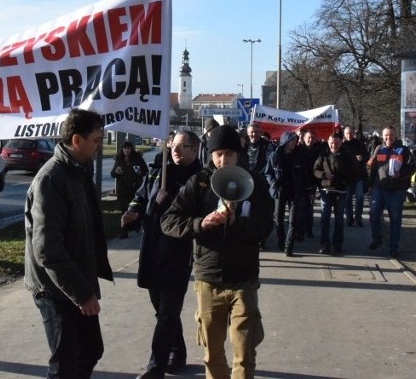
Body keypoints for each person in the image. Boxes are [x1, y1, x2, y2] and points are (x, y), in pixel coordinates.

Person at [161, 125, 274, 379]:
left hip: (243, 279)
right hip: (208, 278)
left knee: (244, 351)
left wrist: (237, 223)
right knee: (212, 354)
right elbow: (169, 220)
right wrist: (200, 224)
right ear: (210, 154)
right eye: (218, 153)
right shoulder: (199, 183)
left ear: (238, 154)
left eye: (229, 154)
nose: (223, 160)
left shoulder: (254, 182)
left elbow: (265, 226)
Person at [24, 108, 113, 377]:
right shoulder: (51, 179)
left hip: (77, 280)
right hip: (54, 288)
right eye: (96, 140)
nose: (100, 147)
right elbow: (47, 249)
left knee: (90, 350)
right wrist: (81, 293)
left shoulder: (77, 171)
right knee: (65, 364)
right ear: (77, 140)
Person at [121, 130, 203, 378]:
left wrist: (168, 200)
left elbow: (196, 212)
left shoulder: (200, 179)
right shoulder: (159, 170)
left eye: (182, 146)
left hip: (179, 252)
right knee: (162, 309)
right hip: (152, 248)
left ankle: (155, 368)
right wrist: (133, 212)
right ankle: (177, 351)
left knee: (167, 311)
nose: (175, 150)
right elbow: (141, 196)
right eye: (172, 145)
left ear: (195, 149)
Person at [367, 126, 416, 258]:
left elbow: (412, 167)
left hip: (396, 191)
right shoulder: (378, 149)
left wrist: (401, 174)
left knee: (395, 220)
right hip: (379, 189)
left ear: (395, 135)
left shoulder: (403, 150)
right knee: (373, 215)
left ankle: (393, 248)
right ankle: (377, 239)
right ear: (383, 136)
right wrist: (370, 185)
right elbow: (374, 169)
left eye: (391, 135)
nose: (388, 138)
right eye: (386, 135)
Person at [314, 132, 360, 255]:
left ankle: (338, 244)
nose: (334, 145)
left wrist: (344, 180)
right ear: (328, 143)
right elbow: (316, 170)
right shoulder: (323, 154)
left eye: (336, 143)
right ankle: (325, 245)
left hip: (341, 191)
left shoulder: (346, 155)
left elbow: (353, 172)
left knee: (339, 219)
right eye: (331, 143)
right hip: (326, 191)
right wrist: (324, 175)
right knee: (325, 218)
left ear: (340, 143)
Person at [264, 130, 301, 255]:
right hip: (280, 190)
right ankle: (281, 241)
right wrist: (274, 184)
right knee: (278, 219)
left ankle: (288, 246)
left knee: (293, 220)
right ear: (285, 141)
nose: (294, 143)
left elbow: (302, 174)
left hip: (294, 190)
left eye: (295, 141)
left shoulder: (297, 156)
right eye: (292, 141)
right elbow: (268, 173)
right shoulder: (275, 156)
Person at [110, 140, 148, 236]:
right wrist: (116, 172)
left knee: (133, 208)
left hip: (134, 188)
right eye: (125, 148)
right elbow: (112, 174)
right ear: (122, 149)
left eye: (129, 148)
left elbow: (145, 171)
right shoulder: (119, 160)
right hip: (122, 189)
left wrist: (139, 172)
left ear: (131, 149)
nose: (127, 150)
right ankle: (124, 231)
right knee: (123, 210)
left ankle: (136, 226)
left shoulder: (137, 159)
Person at [296, 129, 323, 239]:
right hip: (299, 181)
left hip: (312, 182)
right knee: (300, 207)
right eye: (309, 137)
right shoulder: (298, 150)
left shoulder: (319, 150)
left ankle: (309, 230)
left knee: (309, 207)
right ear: (304, 138)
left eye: (312, 137)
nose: (310, 140)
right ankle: (300, 232)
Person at [341, 126, 369, 227]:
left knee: (360, 197)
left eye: (351, 133)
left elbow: (367, 156)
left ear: (354, 133)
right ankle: (349, 218)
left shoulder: (359, 144)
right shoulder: (342, 145)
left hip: (359, 176)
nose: (349, 135)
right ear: (344, 134)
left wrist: (362, 158)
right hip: (347, 177)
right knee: (347, 199)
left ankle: (358, 218)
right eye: (347, 133)